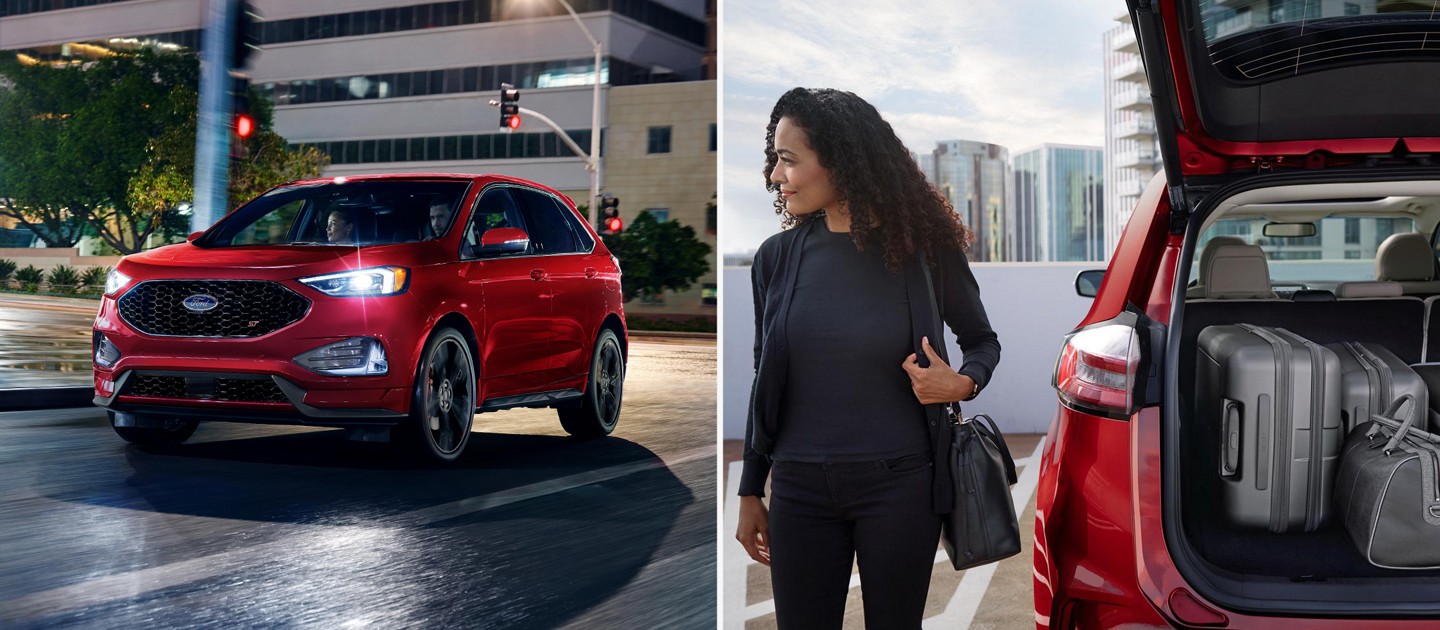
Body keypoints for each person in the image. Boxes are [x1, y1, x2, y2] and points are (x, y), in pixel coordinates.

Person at [734, 87, 1001, 629]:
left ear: (840, 160)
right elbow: (765, 379)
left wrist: (963, 384)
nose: (775, 176)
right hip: (798, 489)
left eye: (788, 160)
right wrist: (749, 489)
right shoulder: (775, 259)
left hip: (901, 487)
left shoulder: (925, 252)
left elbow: (982, 341)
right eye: (774, 160)